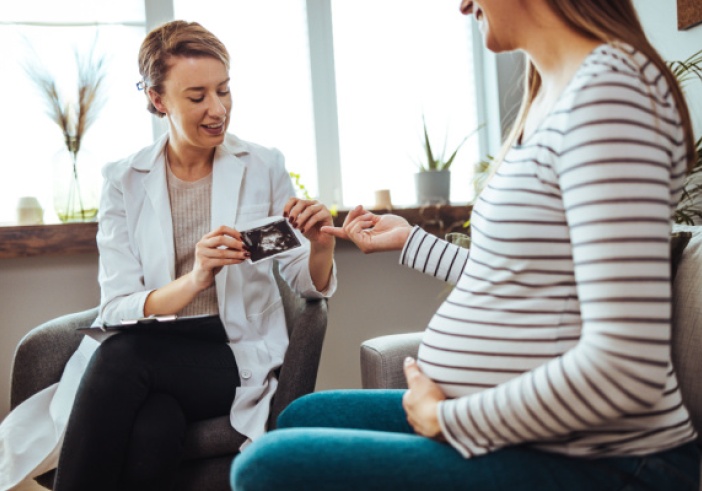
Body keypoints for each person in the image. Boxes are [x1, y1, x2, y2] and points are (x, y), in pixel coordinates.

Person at [229, 0, 700, 490]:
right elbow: (520, 271)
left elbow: (626, 368)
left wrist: (447, 419)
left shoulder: (611, 94)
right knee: (307, 415)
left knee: (267, 467)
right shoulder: (555, 93)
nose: (462, 5)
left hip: (610, 459)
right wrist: (410, 240)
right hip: (539, 436)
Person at [0, 20, 336, 491]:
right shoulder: (125, 180)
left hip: (231, 352)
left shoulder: (263, 166)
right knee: (154, 426)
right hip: (158, 346)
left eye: (224, 90)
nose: (218, 110)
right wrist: (196, 278)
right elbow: (117, 303)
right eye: (197, 97)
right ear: (159, 101)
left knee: (123, 358)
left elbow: (305, 283)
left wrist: (319, 245)